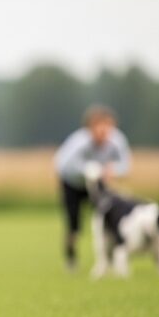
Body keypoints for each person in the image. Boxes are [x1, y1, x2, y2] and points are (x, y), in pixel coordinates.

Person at [53, 104, 131, 271]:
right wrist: (87, 169)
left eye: (108, 126)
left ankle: (109, 257)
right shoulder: (79, 142)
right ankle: (71, 258)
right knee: (74, 224)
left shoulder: (117, 141)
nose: (104, 131)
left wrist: (114, 170)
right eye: (100, 126)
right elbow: (62, 164)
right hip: (72, 183)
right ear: (91, 127)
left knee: (109, 217)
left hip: (97, 184)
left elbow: (125, 165)